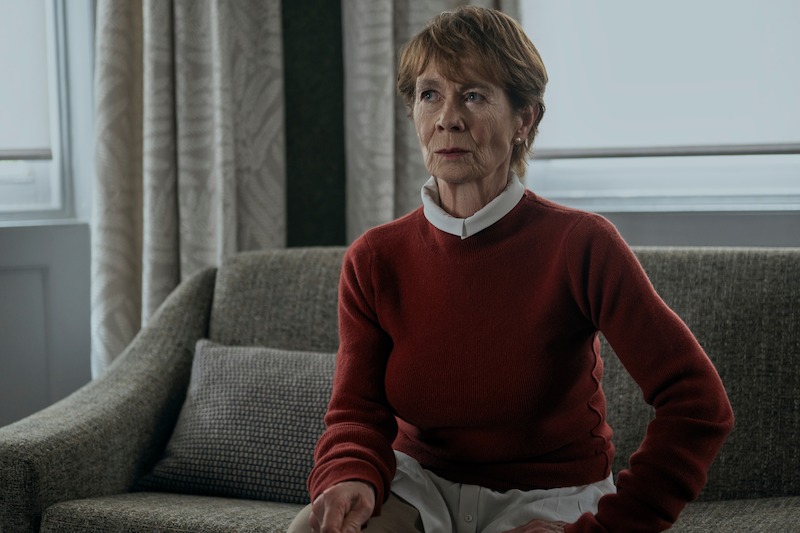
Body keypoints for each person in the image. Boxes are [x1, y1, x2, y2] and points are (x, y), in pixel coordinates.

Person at [288, 6, 733, 533]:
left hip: (549, 501)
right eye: (430, 94)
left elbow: (698, 404)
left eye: (473, 95)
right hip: (420, 485)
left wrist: (612, 527)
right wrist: (350, 475)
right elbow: (356, 414)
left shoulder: (581, 244)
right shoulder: (374, 258)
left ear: (526, 119)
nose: (447, 117)